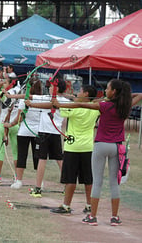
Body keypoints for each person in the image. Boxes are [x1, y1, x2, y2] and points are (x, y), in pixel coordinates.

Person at [54, 79, 142, 226]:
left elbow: (81, 104)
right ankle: (115, 217)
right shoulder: (125, 105)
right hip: (116, 146)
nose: (105, 91)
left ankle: (92, 217)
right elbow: (139, 95)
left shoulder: (104, 105)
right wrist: (122, 96)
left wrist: (60, 105)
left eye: (108, 89)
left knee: (97, 182)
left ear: (113, 91)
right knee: (114, 183)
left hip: (101, 146)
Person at [48, 85, 100, 215]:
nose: (78, 93)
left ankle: (66, 206)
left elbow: (58, 106)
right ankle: (89, 205)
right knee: (88, 179)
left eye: (81, 91)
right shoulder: (95, 109)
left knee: (70, 179)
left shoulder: (74, 108)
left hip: (73, 148)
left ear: (86, 94)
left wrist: (55, 101)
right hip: (88, 148)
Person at [5, 78, 42, 189]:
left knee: (22, 156)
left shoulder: (25, 100)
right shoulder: (42, 99)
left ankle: (19, 181)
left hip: (25, 132)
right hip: (36, 132)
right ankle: (40, 182)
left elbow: (18, 119)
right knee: (38, 158)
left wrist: (9, 125)